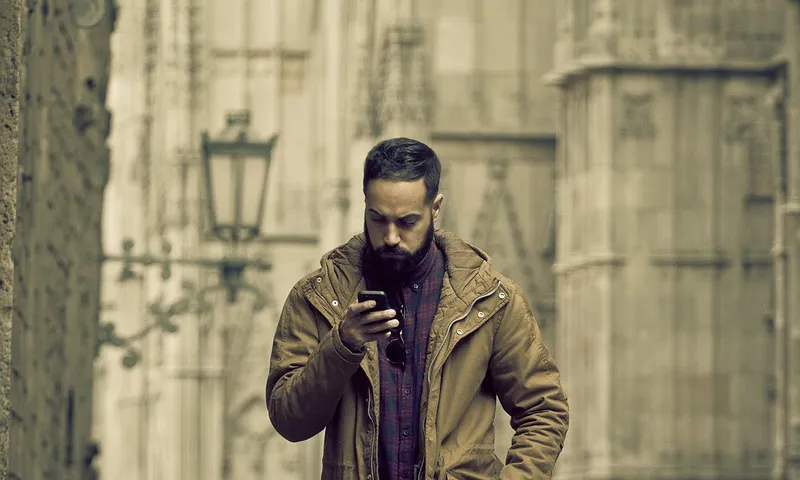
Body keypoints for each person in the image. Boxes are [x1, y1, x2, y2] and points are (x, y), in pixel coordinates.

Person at [266, 137, 569, 480]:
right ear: (364, 205)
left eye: (407, 222)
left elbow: (544, 410)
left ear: (435, 208)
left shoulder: (490, 299)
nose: (391, 236)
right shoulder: (319, 296)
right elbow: (289, 420)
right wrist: (343, 345)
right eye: (378, 219)